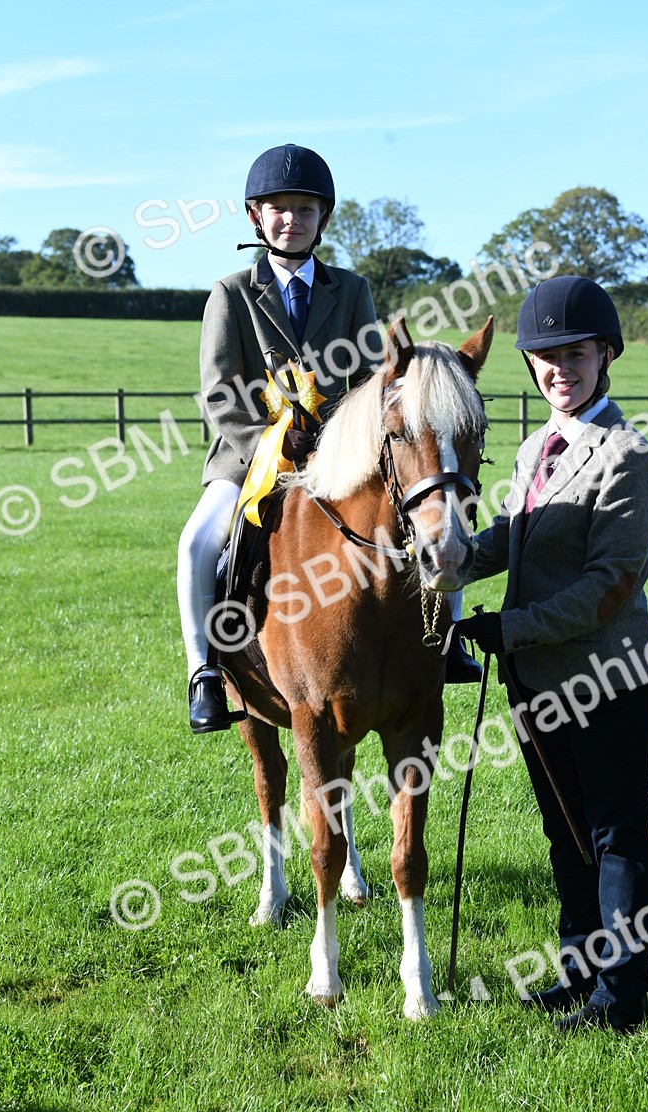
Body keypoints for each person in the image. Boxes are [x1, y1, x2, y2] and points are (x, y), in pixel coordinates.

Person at [457, 276, 648, 1033]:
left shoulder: (627, 456)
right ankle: (579, 971)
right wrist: (437, 556)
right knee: (564, 834)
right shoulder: (535, 448)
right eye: (545, 358)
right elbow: (506, 538)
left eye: (574, 355)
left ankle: (622, 996)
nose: (559, 370)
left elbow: (607, 588)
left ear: (605, 355)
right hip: (538, 681)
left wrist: (510, 630)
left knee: (614, 835)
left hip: (608, 678)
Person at [178, 143, 382, 733]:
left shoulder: (352, 291)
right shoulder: (232, 294)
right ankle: (205, 674)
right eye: (279, 208)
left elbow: (368, 381)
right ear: (256, 217)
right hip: (248, 461)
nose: (291, 219)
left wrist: (338, 441)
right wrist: (271, 443)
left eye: (305, 209)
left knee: (419, 515)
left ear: (323, 218)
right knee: (195, 545)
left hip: (338, 456)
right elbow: (219, 392)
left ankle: (440, 644)